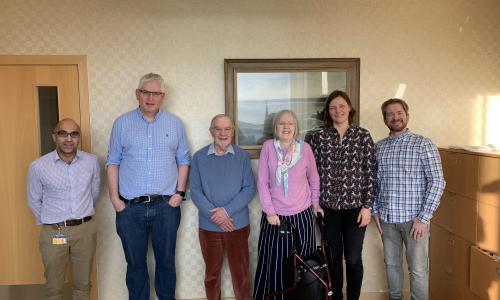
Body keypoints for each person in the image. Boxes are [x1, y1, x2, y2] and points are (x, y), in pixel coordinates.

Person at [106, 73, 190, 300]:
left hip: (166, 206)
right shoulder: (122, 123)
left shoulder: (174, 124)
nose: (150, 98)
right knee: (135, 264)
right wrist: (115, 198)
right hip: (130, 207)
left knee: (166, 262)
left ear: (163, 96)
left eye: (156, 93)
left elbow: (183, 161)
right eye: (146, 92)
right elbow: (112, 162)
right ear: (137, 94)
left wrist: (179, 194)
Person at [373, 98, 445, 300]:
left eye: (399, 113)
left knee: (419, 270)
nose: (395, 117)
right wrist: (375, 211)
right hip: (387, 220)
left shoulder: (423, 144)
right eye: (390, 114)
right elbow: (374, 183)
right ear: (385, 119)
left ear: (407, 115)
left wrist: (423, 218)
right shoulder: (379, 148)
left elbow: (437, 182)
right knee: (392, 266)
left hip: (415, 221)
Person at [309, 90, 377, 300]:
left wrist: (367, 207)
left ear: (349, 108)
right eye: (332, 108)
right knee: (333, 257)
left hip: (356, 209)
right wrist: (315, 203)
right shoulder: (319, 137)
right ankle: (336, 296)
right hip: (327, 209)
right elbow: (311, 173)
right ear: (328, 113)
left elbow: (371, 173)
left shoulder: (362, 135)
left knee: (353, 258)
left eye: (341, 106)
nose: (337, 110)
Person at [27, 118, 100, 300]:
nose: (69, 139)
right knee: (53, 286)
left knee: (83, 284)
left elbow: (95, 192)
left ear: (79, 138)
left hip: (85, 230)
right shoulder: (38, 166)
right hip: (54, 231)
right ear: (54, 137)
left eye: (74, 134)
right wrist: (53, 219)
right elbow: (34, 199)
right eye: (63, 133)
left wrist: (81, 215)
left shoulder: (91, 162)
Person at [253, 109, 322, 300]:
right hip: (275, 216)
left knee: (303, 262)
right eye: (282, 123)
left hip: (303, 214)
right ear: (275, 127)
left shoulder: (305, 148)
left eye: (290, 123)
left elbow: (314, 179)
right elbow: (263, 182)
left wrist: (315, 204)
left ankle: (303, 296)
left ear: (296, 127)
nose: (286, 127)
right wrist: (269, 211)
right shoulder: (268, 147)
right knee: (275, 262)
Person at [189, 114, 256, 300]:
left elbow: (249, 188)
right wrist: (216, 216)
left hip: (237, 224)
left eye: (227, 129)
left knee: (241, 274)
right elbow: (195, 191)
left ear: (233, 131)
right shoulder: (199, 157)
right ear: (212, 132)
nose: (223, 133)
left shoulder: (242, 157)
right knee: (212, 275)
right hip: (209, 227)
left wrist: (226, 212)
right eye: (218, 129)